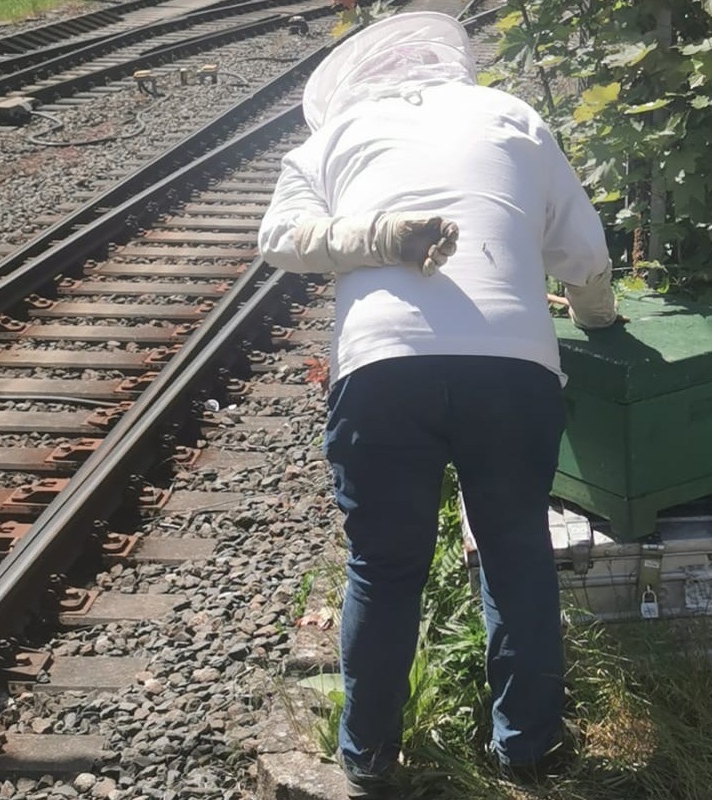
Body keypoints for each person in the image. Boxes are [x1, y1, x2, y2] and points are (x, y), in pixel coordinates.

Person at [257, 11, 617, 797]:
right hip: (512, 373)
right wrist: (600, 321)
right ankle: (527, 750)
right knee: (516, 546)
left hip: (381, 373)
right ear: (453, 64)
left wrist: (377, 238)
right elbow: (584, 255)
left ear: (358, 79)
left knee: (383, 568)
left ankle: (368, 759)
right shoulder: (512, 116)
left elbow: (279, 236)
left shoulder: (338, 134)